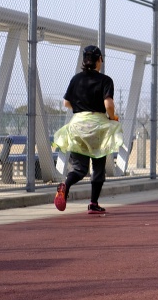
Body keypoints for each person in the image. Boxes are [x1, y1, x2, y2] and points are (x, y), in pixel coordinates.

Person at [52, 45, 123, 215]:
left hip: (77, 126)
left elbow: (66, 103)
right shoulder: (106, 80)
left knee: (79, 168)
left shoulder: (76, 79)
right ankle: (93, 204)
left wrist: (80, 106)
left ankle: (65, 186)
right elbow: (109, 105)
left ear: (84, 61)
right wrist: (112, 117)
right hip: (97, 127)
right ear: (100, 60)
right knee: (98, 167)